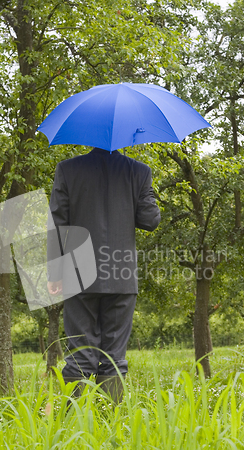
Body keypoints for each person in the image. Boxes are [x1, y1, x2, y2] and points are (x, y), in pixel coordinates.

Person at [47, 147, 160, 403]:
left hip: (78, 275)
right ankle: (112, 424)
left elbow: (57, 224)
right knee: (114, 357)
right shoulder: (139, 171)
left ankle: (73, 426)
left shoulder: (68, 169)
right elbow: (150, 220)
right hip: (121, 275)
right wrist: (146, 192)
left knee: (79, 354)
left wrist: (55, 272)